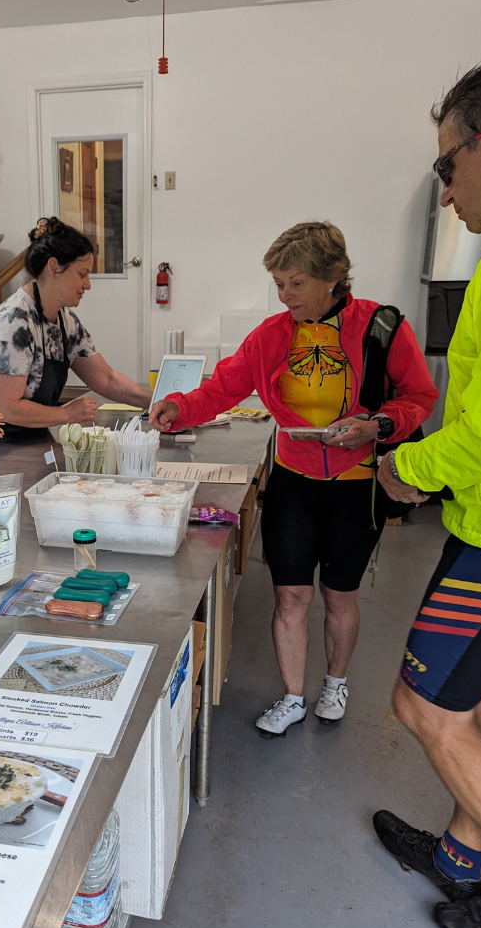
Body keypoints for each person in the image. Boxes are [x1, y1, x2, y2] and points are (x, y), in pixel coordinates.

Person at [369, 58, 481, 928]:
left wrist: (408, 468)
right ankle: (460, 861)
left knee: (423, 710)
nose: (445, 191)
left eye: (447, 165)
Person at [147, 222, 436, 732]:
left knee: (339, 595)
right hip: (293, 484)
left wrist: (375, 424)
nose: (284, 295)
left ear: (332, 278)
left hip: (357, 485)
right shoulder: (271, 336)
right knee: (290, 595)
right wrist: (178, 406)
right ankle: (293, 696)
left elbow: (418, 397)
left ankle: (336, 684)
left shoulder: (382, 327)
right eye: (278, 284)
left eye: (295, 283)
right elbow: (223, 388)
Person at [0, 218, 152, 431]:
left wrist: (156, 402)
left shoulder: (66, 322)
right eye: (82, 274)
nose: (88, 285)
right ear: (53, 268)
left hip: (33, 437)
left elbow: (107, 379)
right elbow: (5, 408)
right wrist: (67, 413)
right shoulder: (13, 323)